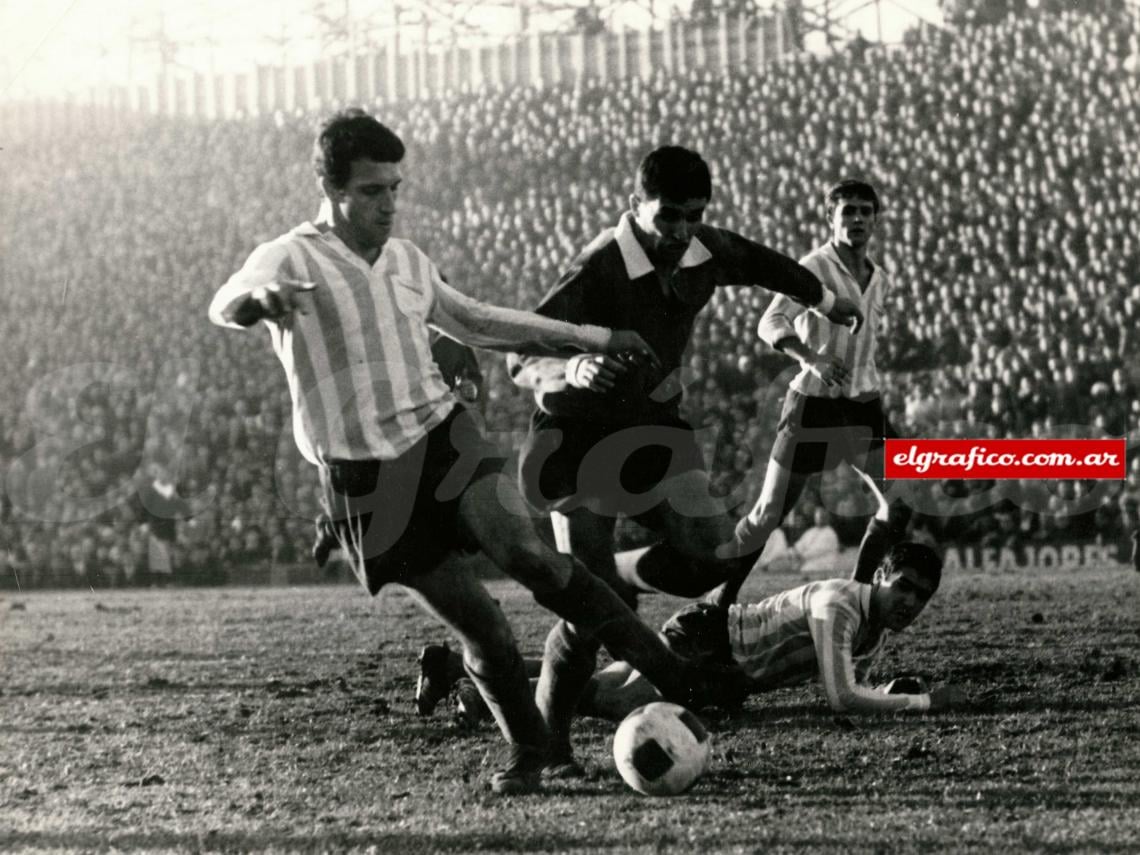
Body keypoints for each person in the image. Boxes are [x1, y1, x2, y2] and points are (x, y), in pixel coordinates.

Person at [207, 110, 743, 796]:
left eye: (396, 188)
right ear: (332, 188)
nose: (389, 203)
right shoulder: (291, 255)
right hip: (366, 479)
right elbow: (226, 300)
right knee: (486, 628)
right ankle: (531, 752)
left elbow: (482, 321)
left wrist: (593, 337)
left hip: (442, 436)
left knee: (535, 558)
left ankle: (677, 674)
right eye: (373, 191)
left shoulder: (406, 261)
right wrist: (257, 300)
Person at [507, 146, 864, 774]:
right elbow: (519, 357)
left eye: (693, 216)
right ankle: (549, 748)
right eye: (668, 216)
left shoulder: (704, 247)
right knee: (588, 619)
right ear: (634, 206)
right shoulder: (598, 266)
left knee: (711, 559)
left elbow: (760, 262)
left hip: (651, 428)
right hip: (578, 436)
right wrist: (573, 365)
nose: (680, 231)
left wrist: (827, 301)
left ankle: (615, 575)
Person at [424, 479, 968, 726]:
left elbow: (849, 679)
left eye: (921, 598)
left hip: (721, 654)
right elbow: (840, 696)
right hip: (710, 643)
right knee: (614, 702)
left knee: (608, 683)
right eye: (905, 590)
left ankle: (459, 672)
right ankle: (484, 693)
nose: (910, 604)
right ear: (883, 578)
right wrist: (922, 705)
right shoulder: (840, 605)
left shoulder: (867, 612)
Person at [712, 179, 911, 607]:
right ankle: (717, 603)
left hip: (862, 406)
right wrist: (809, 357)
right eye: (847, 212)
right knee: (769, 514)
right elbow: (770, 322)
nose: (857, 219)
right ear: (830, 219)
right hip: (813, 405)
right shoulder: (814, 268)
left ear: (875, 219)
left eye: (864, 211)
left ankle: (857, 598)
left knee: (899, 501)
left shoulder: (881, 279)